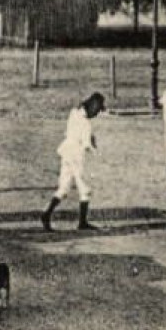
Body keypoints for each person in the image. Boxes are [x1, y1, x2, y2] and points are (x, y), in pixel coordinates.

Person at [42, 93, 105, 232]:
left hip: (66, 151)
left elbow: (70, 132)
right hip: (77, 154)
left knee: (64, 187)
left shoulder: (74, 113)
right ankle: (82, 222)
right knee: (85, 188)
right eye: (98, 109)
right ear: (93, 106)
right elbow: (87, 145)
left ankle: (47, 213)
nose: (97, 113)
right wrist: (96, 151)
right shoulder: (86, 124)